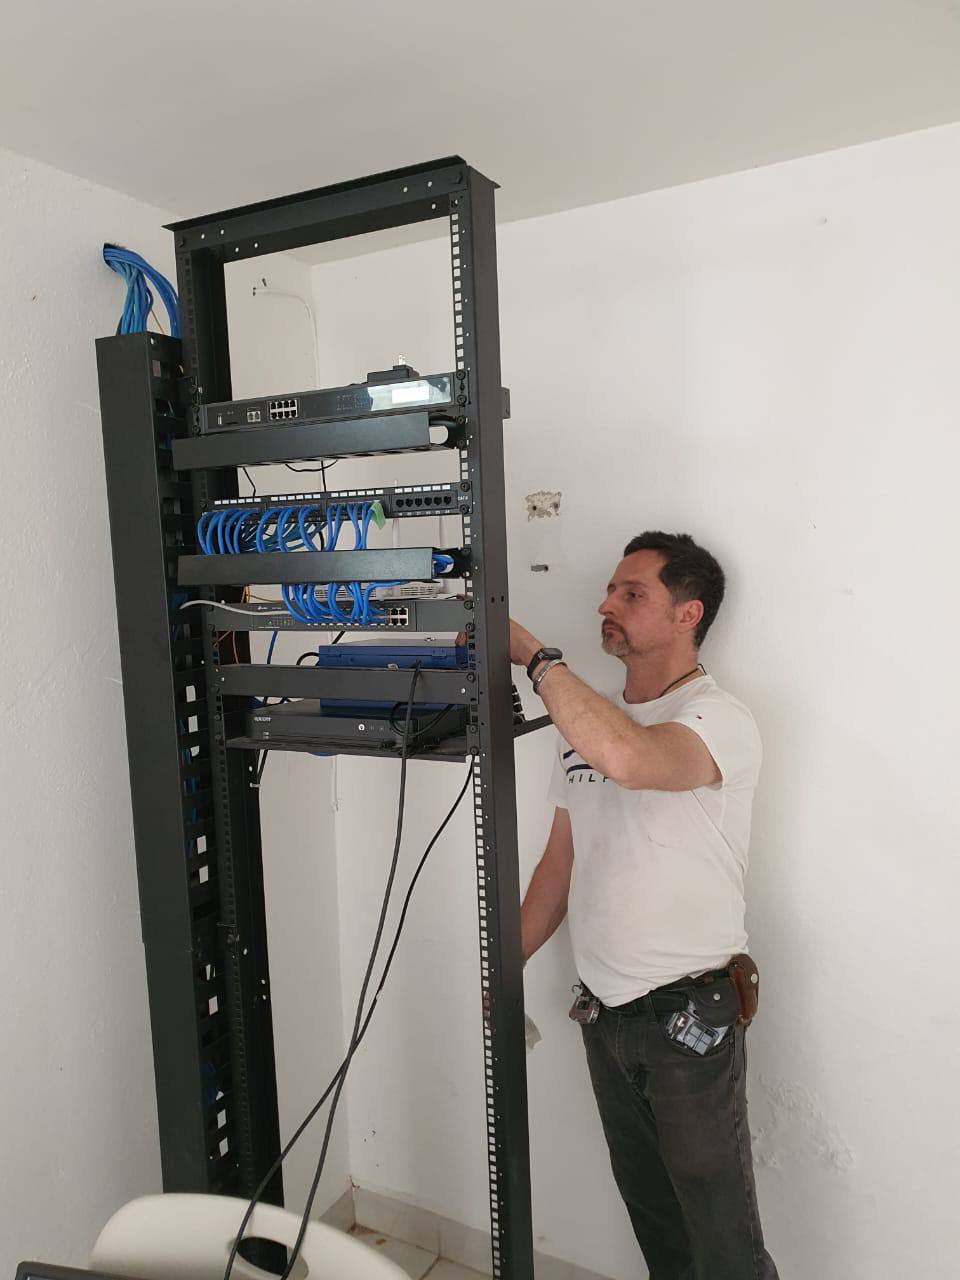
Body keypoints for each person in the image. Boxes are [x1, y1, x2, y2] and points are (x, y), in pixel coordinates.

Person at [513, 530, 779, 1280]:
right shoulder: (586, 726)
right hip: (604, 1014)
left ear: (688, 614)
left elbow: (631, 760)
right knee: (658, 1227)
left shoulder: (718, 718)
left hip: (686, 1019)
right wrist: (497, 967)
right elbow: (559, 865)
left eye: (633, 593)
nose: (608, 604)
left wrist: (534, 656)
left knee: (723, 1246)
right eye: (610, 589)